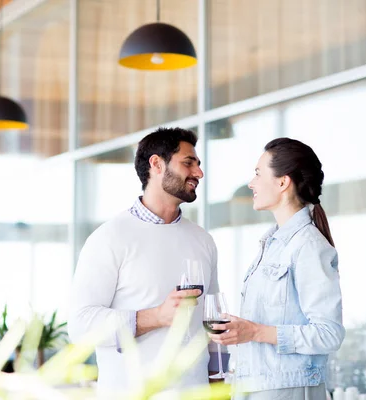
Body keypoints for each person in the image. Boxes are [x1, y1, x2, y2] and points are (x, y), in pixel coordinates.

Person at [68, 127, 220, 393]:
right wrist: (154, 317)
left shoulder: (203, 240)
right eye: (188, 163)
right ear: (156, 164)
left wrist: (218, 378)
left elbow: (210, 321)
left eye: (198, 164)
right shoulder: (109, 238)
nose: (198, 173)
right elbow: (81, 325)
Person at [208, 138, 345, 399]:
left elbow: (329, 334)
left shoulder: (309, 246)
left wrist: (255, 331)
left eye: (258, 174)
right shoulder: (271, 244)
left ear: (283, 182)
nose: (251, 183)